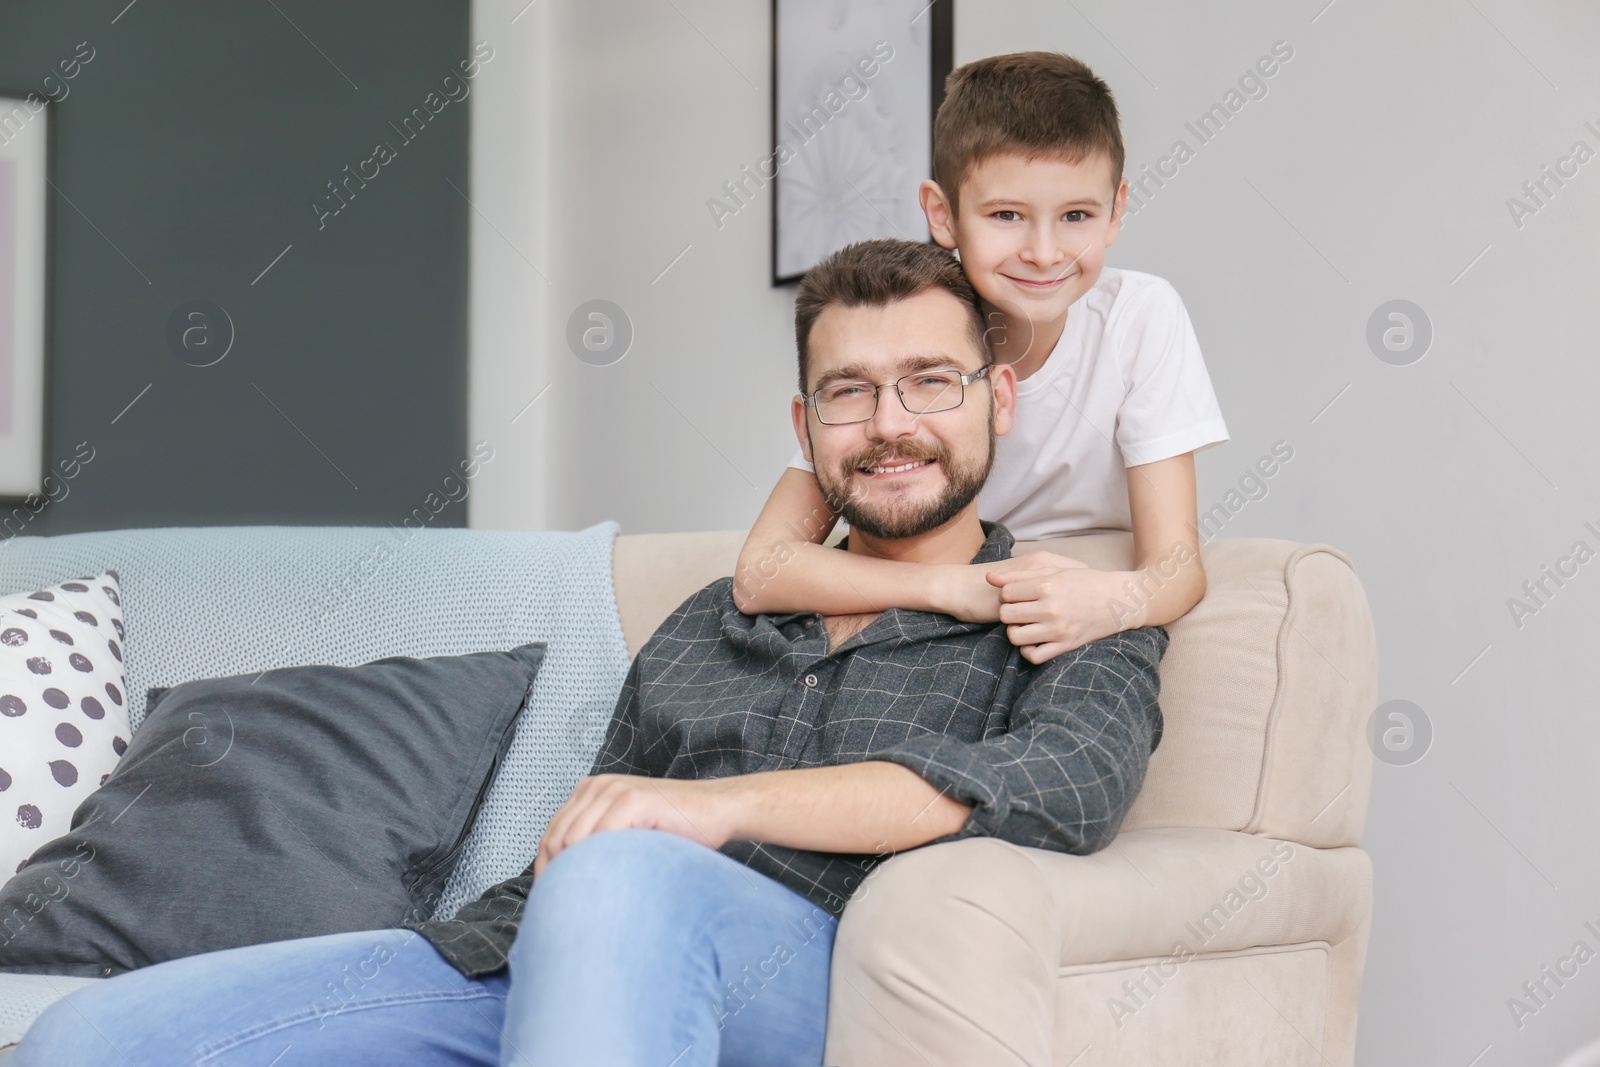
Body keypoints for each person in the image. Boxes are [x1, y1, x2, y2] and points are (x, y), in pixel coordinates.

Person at [13, 240, 1169, 1066]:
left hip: (812, 970)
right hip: (524, 950)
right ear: (804, 426)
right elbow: (598, 828)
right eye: (848, 393)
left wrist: (710, 813)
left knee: (628, 871)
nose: (890, 424)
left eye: (930, 382)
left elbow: (1062, 789)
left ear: (997, 397)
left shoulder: (1079, 607)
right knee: (95, 1035)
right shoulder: (719, 614)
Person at [736, 51, 1228, 664]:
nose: (1044, 253)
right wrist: (950, 587)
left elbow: (1176, 565)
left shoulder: (1140, 316)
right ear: (943, 214)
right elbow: (762, 568)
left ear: (1116, 210)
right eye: (1006, 216)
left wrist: (1106, 602)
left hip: (1076, 589)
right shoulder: (922, 329)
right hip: (952, 588)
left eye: (1076, 215)